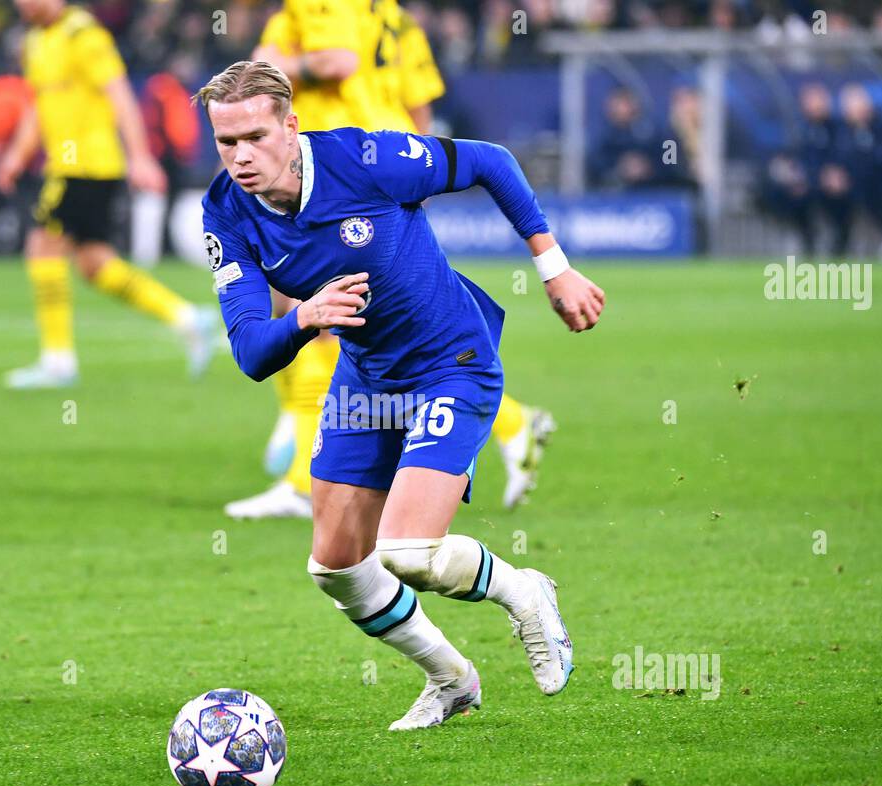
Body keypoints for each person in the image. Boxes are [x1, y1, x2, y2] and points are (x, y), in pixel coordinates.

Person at [197, 61, 605, 730]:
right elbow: (249, 352)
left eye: (255, 137)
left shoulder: (364, 159)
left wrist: (553, 268)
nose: (241, 157)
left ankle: (525, 591)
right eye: (226, 142)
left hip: (453, 363)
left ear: (290, 125)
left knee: (409, 553)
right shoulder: (225, 211)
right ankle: (450, 679)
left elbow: (490, 161)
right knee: (335, 568)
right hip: (366, 379)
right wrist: (304, 318)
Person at [226, 0, 555, 519]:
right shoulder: (397, 20)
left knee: (322, 316)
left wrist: (284, 64)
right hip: (386, 159)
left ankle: (302, 476)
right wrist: (420, 169)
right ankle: (510, 423)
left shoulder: (317, 10)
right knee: (346, 321)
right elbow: (418, 102)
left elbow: (330, 64)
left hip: (338, 172)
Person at [0, 0, 218, 389]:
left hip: (87, 165)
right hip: (70, 167)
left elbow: (120, 96)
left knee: (42, 247)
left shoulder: (85, 34)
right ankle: (187, 319)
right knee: (94, 263)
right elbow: (38, 106)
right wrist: (16, 155)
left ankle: (58, 361)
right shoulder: (34, 40)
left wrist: (141, 157)